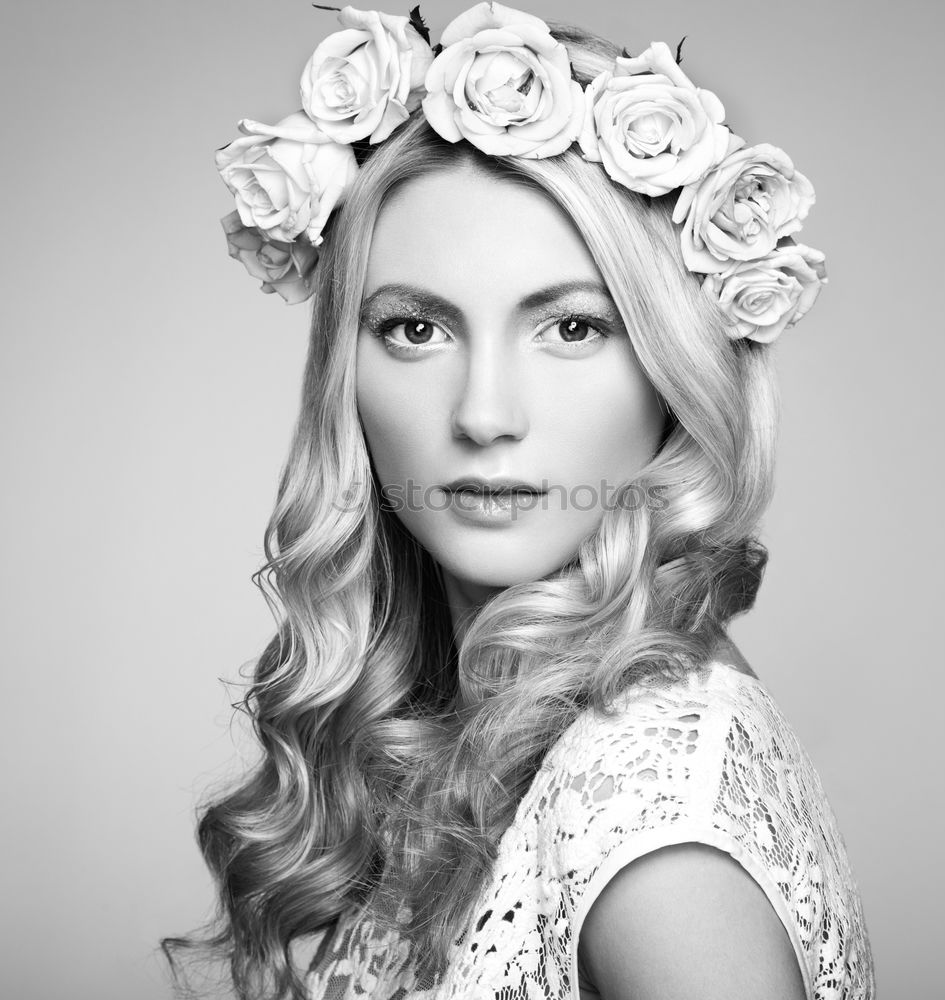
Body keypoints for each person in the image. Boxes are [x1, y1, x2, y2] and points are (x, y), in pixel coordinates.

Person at [164, 4, 874, 999]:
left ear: (675, 365)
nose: (483, 412)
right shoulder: (471, 725)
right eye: (415, 327)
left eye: (571, 327)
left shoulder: (656, 840)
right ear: (341, 368)